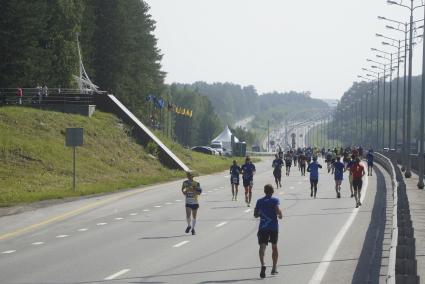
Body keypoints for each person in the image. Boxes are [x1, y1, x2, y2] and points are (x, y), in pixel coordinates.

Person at [254, 184, 283, 278]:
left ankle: (263, 264)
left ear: (264, 191)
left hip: (263, 227)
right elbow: (278, 211)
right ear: (272, 191)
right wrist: (280, 215)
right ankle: (274, 268)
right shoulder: (275, 200)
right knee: (274, 246)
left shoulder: (259, 201)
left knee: (262, 246)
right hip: (273, 227)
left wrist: (261, 213)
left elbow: (255, 214)